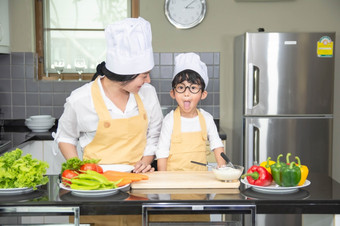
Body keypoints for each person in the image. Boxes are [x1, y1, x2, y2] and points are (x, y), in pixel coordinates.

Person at [54, 17, 163, 174]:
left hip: (139, 178)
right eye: (144, 75)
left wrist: (144, 164)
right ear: (125, 75)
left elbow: (154, 135)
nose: (148, 80)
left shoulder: (148, 93)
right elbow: (66, 137)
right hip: (97, 180)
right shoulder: (80, 99)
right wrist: (78, 169)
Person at [156, 52, 226, 171]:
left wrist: (224, 170)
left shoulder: (206, 118)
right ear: (173, 93)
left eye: (193, 88)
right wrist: (163, 181)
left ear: (203, 94)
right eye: (181, 88)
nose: (186, 93)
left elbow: (217, 145)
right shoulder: (170, 120)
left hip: (200, 182)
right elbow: (162, 154)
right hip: (174, 183)